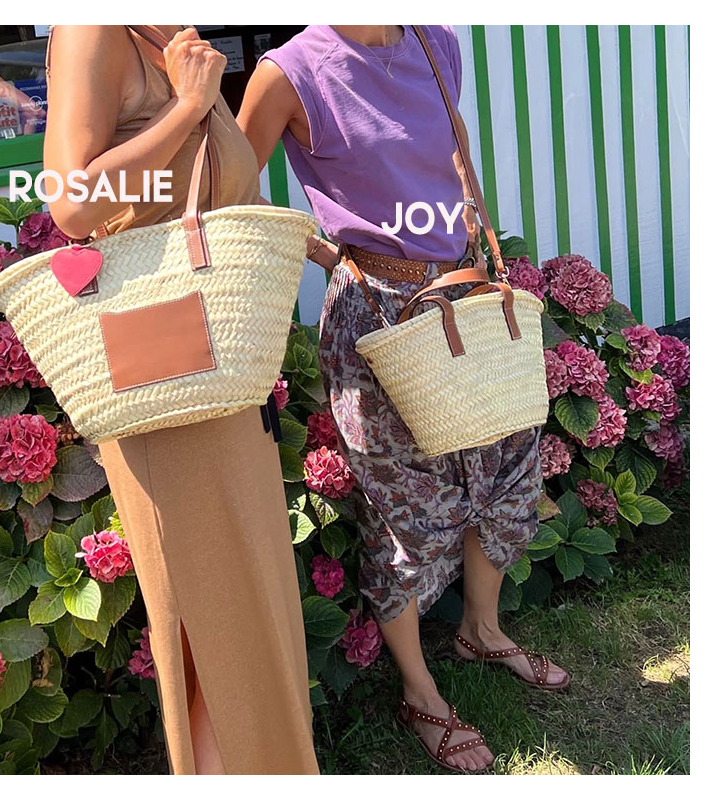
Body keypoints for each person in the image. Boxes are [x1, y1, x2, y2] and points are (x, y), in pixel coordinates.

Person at [238, 24, 568, 773]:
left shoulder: (434, 39)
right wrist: (325, 250)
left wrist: (482, 249)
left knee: (512, 470)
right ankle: (419, 691)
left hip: (462, 296)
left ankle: (480, 629)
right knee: (405, 513)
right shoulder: (287, 72)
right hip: (375, 315)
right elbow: (233, 184)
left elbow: (452, 160)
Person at [43, 24, 319, 776]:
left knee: (249, 617)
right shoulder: (98, 32)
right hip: (162, 374)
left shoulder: (183, 38)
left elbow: (216, 199)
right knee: (212, 624)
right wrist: (187, 106)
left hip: (224, 377)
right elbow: (70, 203)